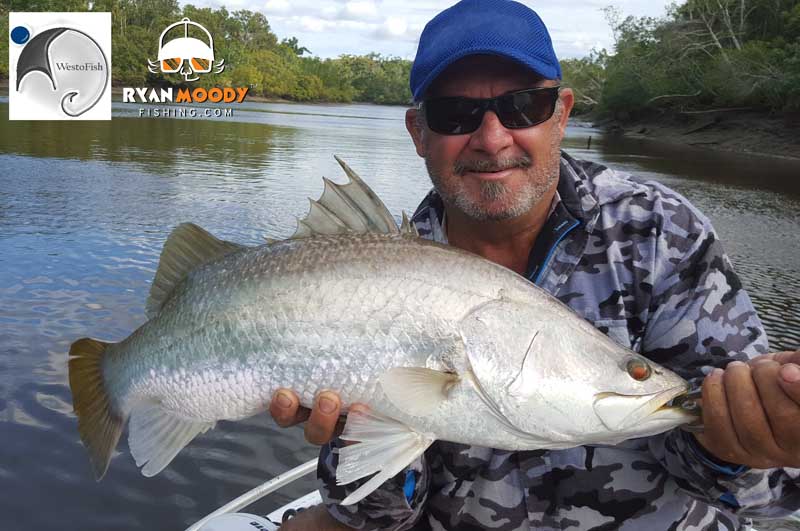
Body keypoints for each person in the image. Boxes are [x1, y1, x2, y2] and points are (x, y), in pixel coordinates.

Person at [270, 0, 800, 528]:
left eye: (524, 106)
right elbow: (380, 520)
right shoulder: (369, 267)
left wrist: (735, 445)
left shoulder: (660, 233)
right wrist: (359, 429)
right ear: (418, 132)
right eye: (455, 113)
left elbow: (766, 495)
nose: (493, 138)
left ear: (563, 114)